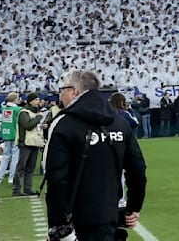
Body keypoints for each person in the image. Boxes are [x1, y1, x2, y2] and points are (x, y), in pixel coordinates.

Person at [44, 69, 147, 241]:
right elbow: (137, 170)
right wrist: (132, 208)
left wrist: (58, 225)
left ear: (74, 91)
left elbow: (55, 176)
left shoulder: (63, 124)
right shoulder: (119, 123)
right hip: (109, 215)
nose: (60, 95)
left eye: (62, 89)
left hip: (75, 219)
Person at [12, 93, 46, 197]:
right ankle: (16, 189)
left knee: (30, 168)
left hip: (34, 143)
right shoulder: (24, 112)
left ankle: (27, 188)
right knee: (21, 167)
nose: (38, 102)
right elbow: (28, 126)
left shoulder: (34, 112)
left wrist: (41, 125)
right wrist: (39, 118)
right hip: (25, 143)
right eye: (36, 100)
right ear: (30, 101)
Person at [0, 92, 21, 184]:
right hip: (15, 134)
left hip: (6, 134)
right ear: (14, 100)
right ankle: (11, 177)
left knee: (5, 156)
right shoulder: (18, 109)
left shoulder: (3, 108)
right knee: (15, 157)